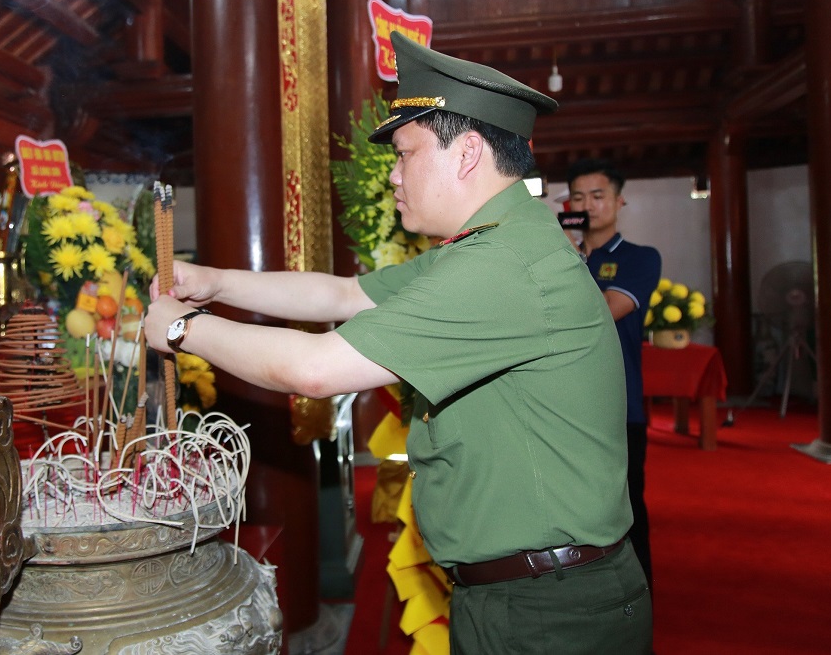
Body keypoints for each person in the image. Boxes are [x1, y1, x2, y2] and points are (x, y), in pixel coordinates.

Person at [147, 32, 652, 654]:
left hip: (548, 608)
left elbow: (314, 369)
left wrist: (180, 329)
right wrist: (214, 282)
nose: (393, 175)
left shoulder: (503, 268)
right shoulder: (493, 244)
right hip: (524, 590)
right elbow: (339, 295)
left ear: (467, 154)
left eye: (406, 153)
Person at [567, 158, 662, 590]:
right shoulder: (561, 255)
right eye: (579, 197)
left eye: (598, 195)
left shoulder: (641, 258)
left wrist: (562, 268)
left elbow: (606, 312)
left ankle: (636, 622)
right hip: (561, 410)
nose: (589, 204)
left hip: (618, 410)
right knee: (568, 517)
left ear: (619, 200)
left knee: (625, 516)